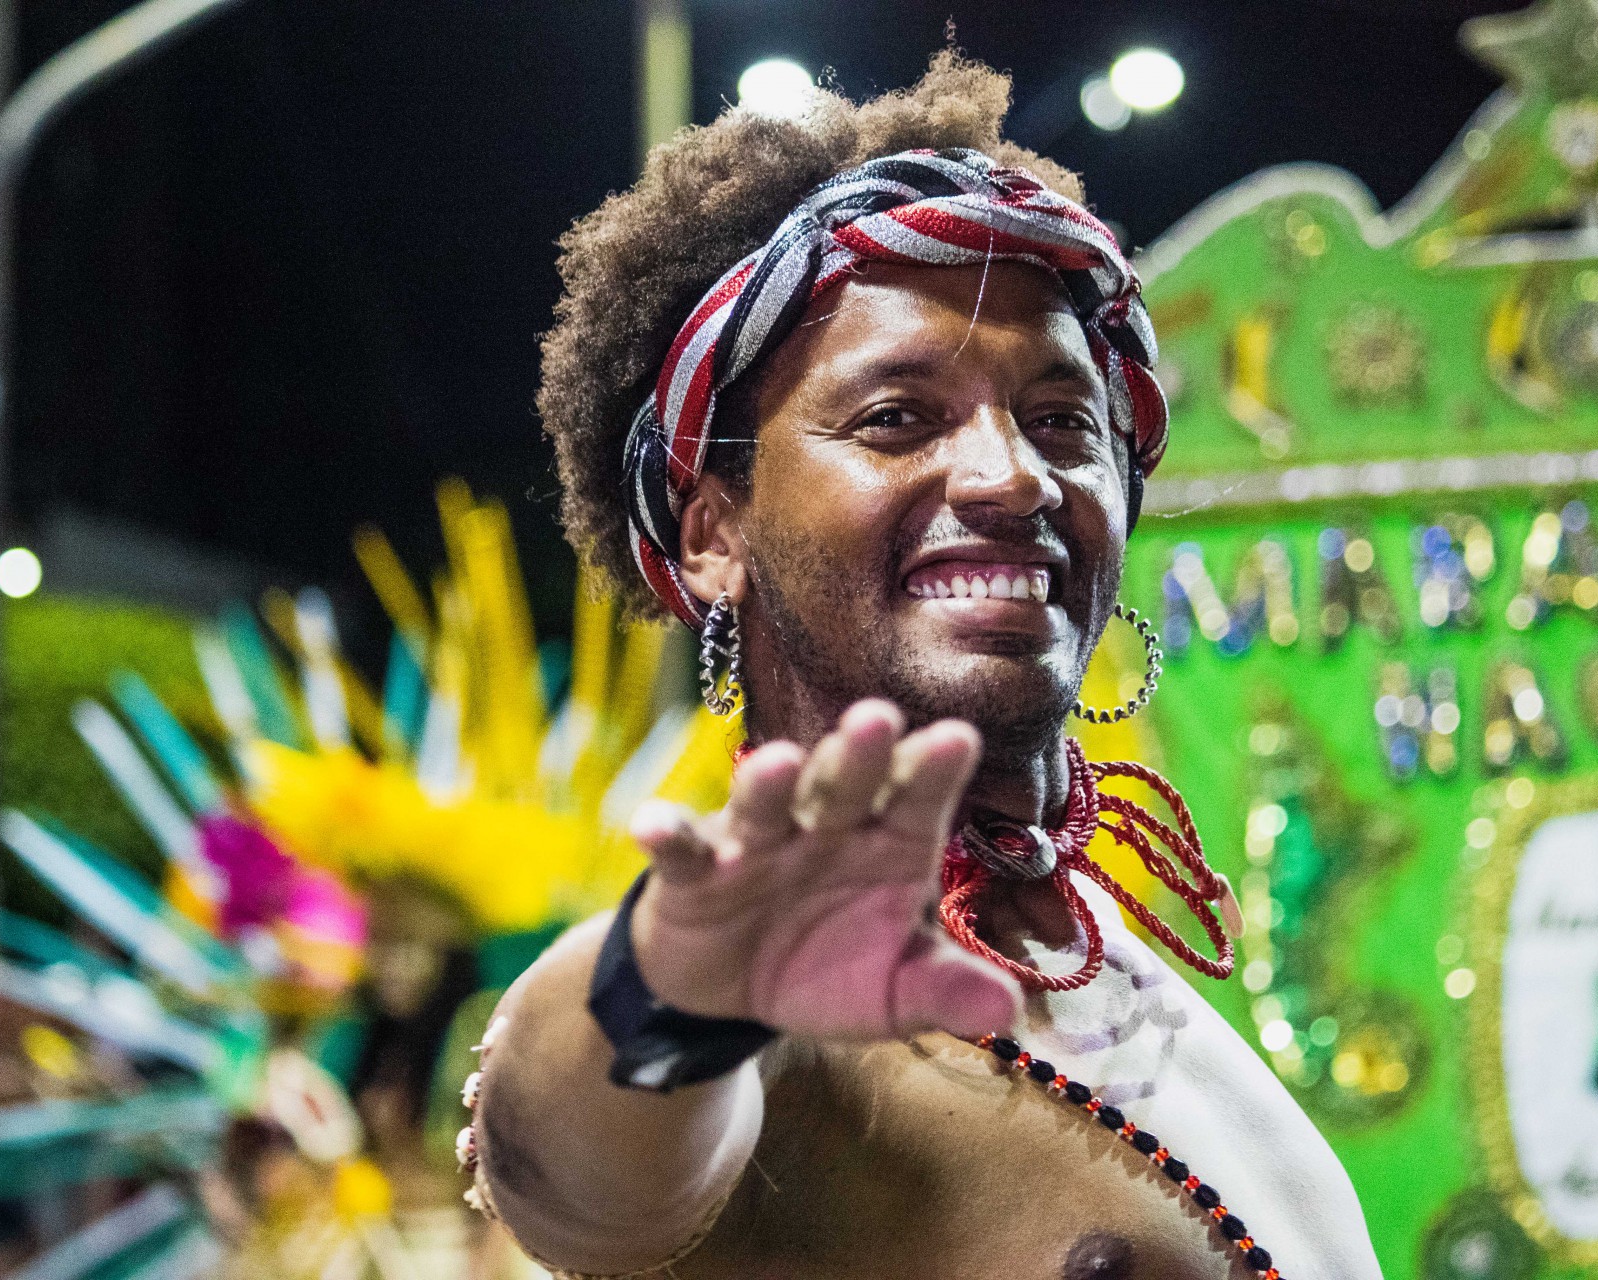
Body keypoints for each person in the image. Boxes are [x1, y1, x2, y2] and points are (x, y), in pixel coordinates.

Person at [461, 54, 1382, 1280]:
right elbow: (567, 1164)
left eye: (1064, 419)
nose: (1013, 475)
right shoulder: (768, 1009)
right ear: (712, 529)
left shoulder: (1100, 947)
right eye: (897, 415)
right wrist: (670, 992)